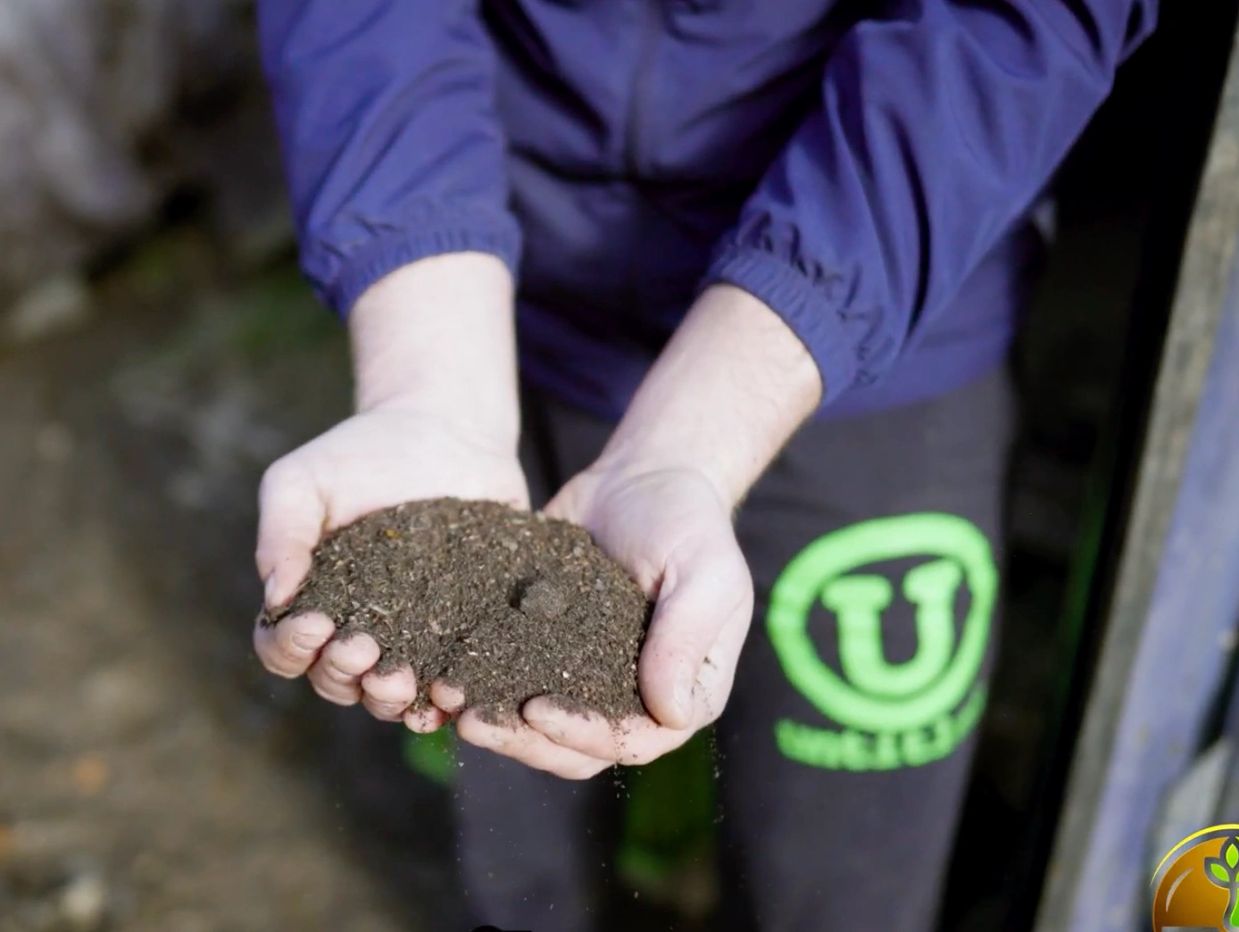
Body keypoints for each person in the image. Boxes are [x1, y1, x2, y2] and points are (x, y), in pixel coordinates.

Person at [250, 2, 1157, 929]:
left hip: (880, 325)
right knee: (507, 784)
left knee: (841, 871)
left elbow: (1005, 32)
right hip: (501, 297)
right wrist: (427, 380)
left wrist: (691, 437)